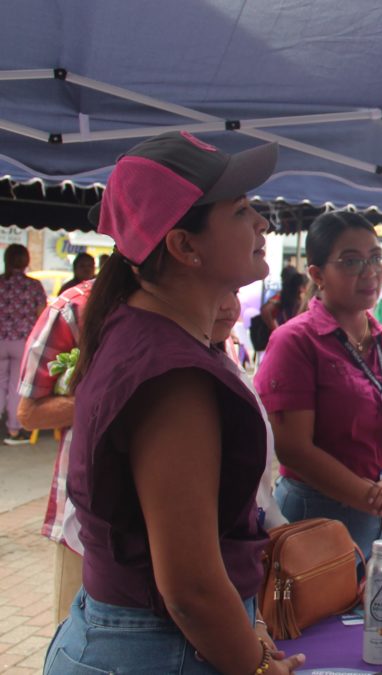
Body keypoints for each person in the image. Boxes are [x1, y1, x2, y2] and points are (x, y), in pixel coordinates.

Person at [44, 130, 307, 674]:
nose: (262, 222)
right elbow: (189, 586)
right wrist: (256, 667)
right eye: (239, 210)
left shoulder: (141, 333)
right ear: (184, 246)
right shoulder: (172, 374)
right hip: (155, 650)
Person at [254, 211, 382, 573]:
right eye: (351, 261)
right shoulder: (295, 341)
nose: (370, 271)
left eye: (376, 258)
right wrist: (374, 497)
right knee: (321, 624)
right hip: (320, 519)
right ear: (316, 275)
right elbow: (294, 448)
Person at [16, 278, 92, 624]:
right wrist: (105, 392)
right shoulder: (73, 309)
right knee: (76, 628)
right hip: (87, 517)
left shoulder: (210, 301)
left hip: (181, 515)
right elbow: (29, 413)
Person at [1, 243, 46, 445]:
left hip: (0, 339)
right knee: (15, 386)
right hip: (23, 342)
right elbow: (41, 316)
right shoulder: (34, 286)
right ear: (26, 261)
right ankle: (14, 431)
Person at [260, 265, 307, 333]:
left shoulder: (282, 295)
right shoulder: (297, 296)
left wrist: (276, 330)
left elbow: (265, 310)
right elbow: (265, 310)